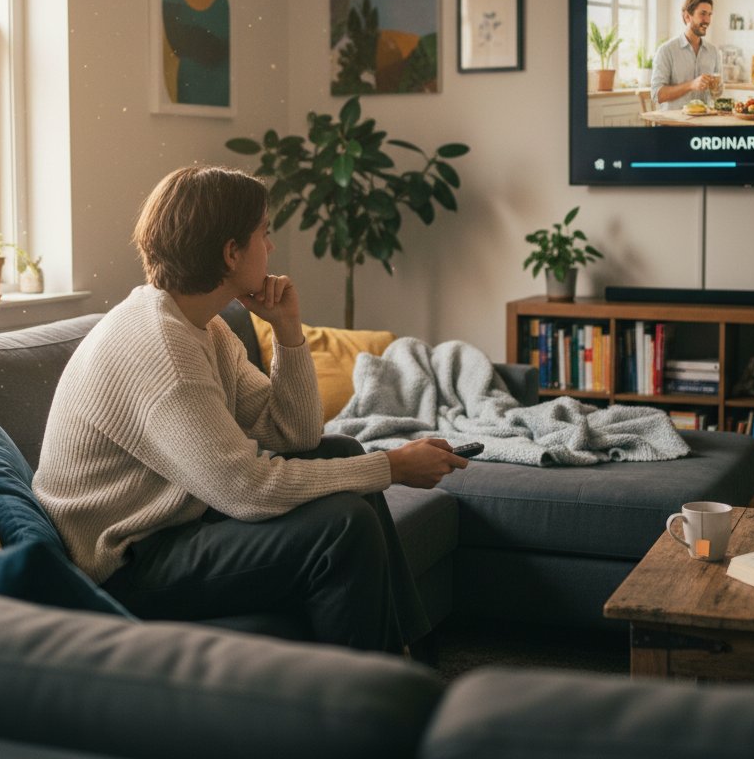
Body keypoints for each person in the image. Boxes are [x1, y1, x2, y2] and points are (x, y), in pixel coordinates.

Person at [33, 165, 470, 654]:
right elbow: (247, 490)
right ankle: (370, 696)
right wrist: (391, 466)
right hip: (124, 564)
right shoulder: (162, 348)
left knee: (340, 450)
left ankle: (405, 660)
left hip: (175, 522)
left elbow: (295, 435)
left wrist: (288, 330)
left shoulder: (204, 327)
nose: (272, 248)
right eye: (265, 233)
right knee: (344, 525)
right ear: (230, 252)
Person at [650, 0, 722, 110]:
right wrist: (691, 85)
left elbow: (717, 93)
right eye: (703, 14)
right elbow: (657, 95)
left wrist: (716, 88)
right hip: (674, 125)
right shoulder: (666, 50)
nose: (707, 20)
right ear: (687, 17)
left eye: (709, 15)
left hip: (705, 122)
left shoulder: (713, 52)